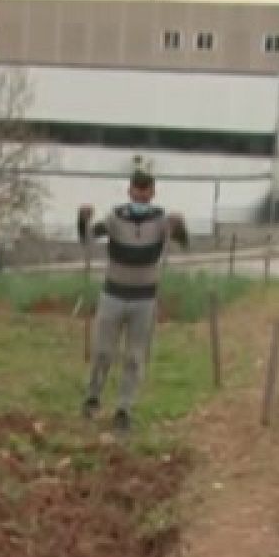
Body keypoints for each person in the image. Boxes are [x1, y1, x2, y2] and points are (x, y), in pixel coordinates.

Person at [78, 170, 190, 434]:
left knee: (135, 357)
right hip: (113, 295)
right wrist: (82, 219)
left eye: (145, 190)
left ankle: (124, 409)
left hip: (144, 299)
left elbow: (184, 242)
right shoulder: (116, 218)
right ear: (130, 191)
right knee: (103, 352)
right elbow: (88, 238)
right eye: (137, 189)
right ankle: (93, 397)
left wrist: (180, 225)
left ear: (152, 193)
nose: (141, 195)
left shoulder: (161, 221)